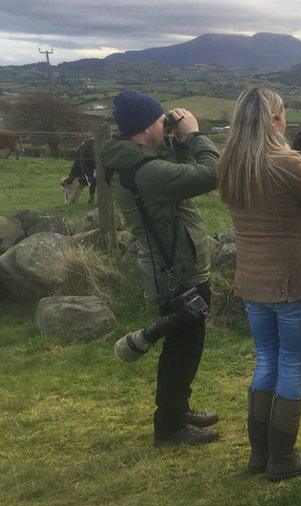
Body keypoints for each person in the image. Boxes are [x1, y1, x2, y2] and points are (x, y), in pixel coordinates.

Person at [217, 88, 301, 481]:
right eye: (282, 116)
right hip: (294, 280)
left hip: (252, 279)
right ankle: (282, 458)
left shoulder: (230, 161)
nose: (286, 122)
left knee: (266, 359)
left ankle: (260, 455)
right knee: (291, 363)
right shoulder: (285, 162)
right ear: (273, 120)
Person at [100, 90, 220, 446]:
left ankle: (177, 409)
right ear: (143, 128)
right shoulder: (146, 171)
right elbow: (212, 173)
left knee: (184, 346)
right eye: (157, 120)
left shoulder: (136, 162)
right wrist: (195, 135)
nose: (161, 124)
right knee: (183, 349)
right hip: (177, 270)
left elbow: (174, 166)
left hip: (174, 265)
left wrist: (172, 138)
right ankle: (169, 427)